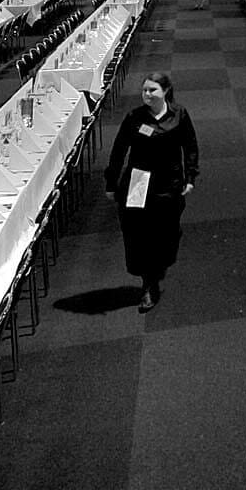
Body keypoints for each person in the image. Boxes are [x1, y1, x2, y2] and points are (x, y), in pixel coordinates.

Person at [104, 73, 199, 312]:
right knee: (139, 233)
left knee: (166, 231)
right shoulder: (134, 117)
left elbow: (190, 146)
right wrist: (111, 182)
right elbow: (119, 150)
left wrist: (191, 176)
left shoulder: (180, 114)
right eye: (144, 90)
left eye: (152, 90)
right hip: (139, 181)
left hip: (169, 181)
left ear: (165, 91)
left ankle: (158, 266)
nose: (147, 94)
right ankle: (149, 283)